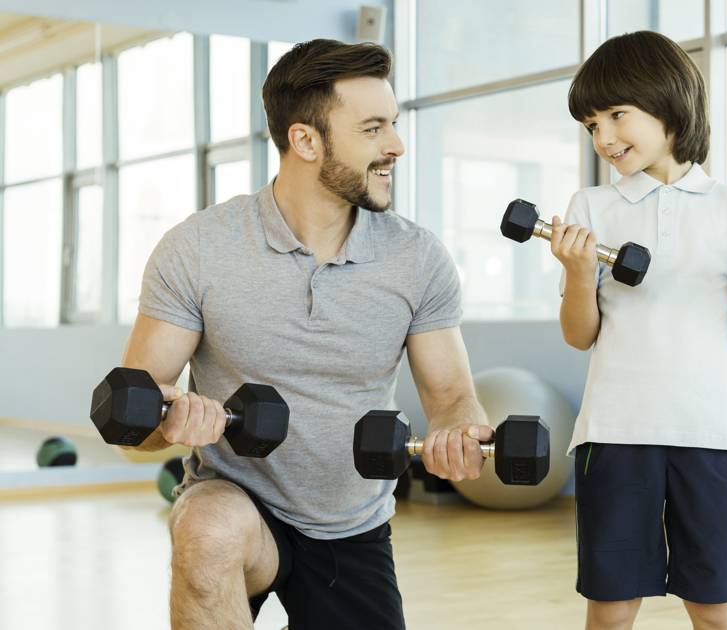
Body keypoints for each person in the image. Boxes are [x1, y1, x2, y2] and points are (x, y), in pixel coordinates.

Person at [120, 39, 491, 630]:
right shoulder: (198, 249)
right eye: (373, 129)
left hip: (351, 520)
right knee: (206, 528)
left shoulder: (417, 259)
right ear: (306, 140)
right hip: (238, 500)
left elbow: (450, 398)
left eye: (393, 124)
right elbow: (133, 421)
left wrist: (457, 432)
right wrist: (171, 420)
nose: (396, 145)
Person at [549, 31, 727, 630]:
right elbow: (580, 335)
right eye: (590, 124)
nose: (602, 137)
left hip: (711, 429)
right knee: (611, 605)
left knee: (713, 606)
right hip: (616, 428)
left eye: (616, 116)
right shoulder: (590, 207)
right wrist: (578, 273)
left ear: (669, 102)